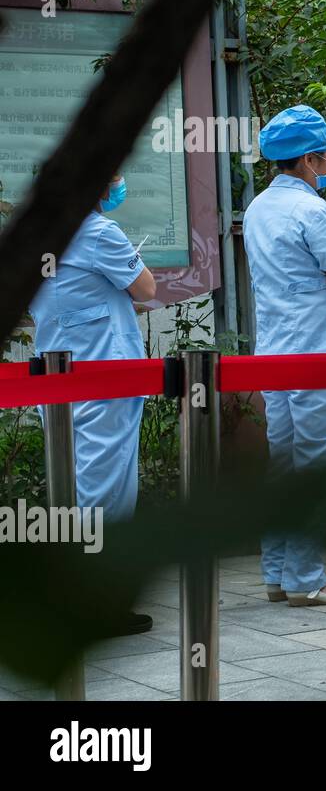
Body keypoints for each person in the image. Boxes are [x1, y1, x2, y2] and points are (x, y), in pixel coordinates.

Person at [244, 105, 326, 607]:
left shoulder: (256, 209)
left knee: (284, 464)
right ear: (311, 159)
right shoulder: (315, 211)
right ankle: (307, 579)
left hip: (275, 353)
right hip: (318, 352)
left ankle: (277, 571)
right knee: (316, 465)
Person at [31, 173, 156, 634]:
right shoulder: (98, 231)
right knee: (106, 489)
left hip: (61, 373)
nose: (118, 186)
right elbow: (145, 289)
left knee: (76, 484)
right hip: (105, 375)